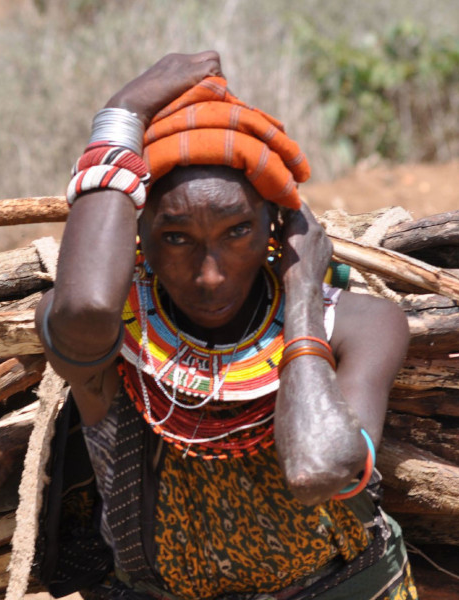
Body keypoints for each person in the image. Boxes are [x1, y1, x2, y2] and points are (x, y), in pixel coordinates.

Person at [35, 51, 418, 599]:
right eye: (176, 237)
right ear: (136, 237)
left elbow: (317, 469)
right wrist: (120, 115)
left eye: (237, 232)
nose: (210, 276)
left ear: (275, 226)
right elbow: (86, 306)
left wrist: (303, 295)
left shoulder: (359, 324)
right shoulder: (113, 338)